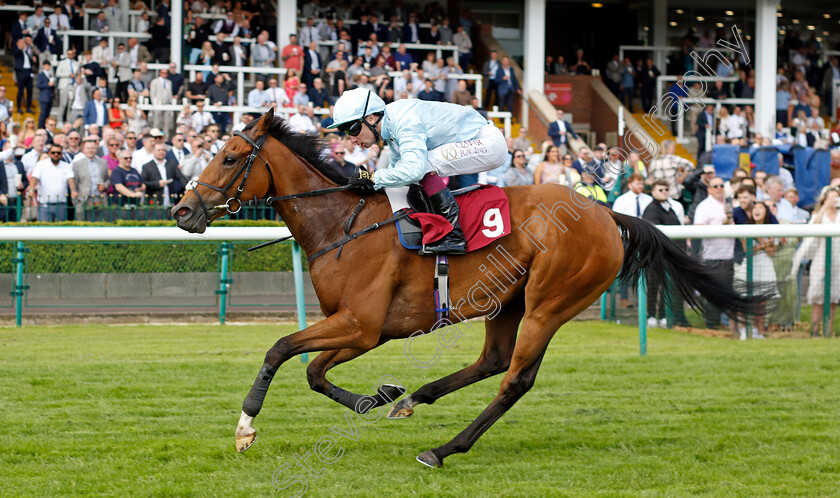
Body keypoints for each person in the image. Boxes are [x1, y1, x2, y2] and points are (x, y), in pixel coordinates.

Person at [328, 88, 507, 255]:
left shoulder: (404, 121)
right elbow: (398, 171)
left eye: (353, 129)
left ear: (372, 118)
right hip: (477, 139)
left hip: (489, 143)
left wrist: (373, 177)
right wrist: (371, 184)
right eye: (345, 131)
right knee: (414, 169)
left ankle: (454, 236)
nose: (351, 139)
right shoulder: (390, 125)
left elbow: (413, 170)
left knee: (422, 165)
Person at [693, 176, 735, 330]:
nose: (719, 188)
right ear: (709, 189)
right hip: (712, 256)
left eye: (721, 185)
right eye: (715, 186)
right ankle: (711, 325)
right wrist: (722, 223)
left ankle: (725, 323)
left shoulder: (730, 203)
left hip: (731, 255)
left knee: (728, 291)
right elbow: (699, 228)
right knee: (713, 292)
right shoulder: (704, 206)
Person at [804, 187, 840, 337]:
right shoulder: (818, 215)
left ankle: (828, 331)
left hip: (837, 261)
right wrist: (824, 207)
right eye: (831, 197)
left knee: (832, 300)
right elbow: (813, 229)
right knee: (818, 300)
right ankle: (814, 333)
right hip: (821, 259)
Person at [30, 143, 76, 221]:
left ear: (61, 154)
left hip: (61, 203)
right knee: (44, 229)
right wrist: (31, 189)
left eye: (58, 153)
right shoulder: (41, 164)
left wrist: (73, 191)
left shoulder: (66, 166)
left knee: (61, 230)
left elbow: (71, 179)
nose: (55, 154)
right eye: (53, 152)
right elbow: (34, 178)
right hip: (44, 203)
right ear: (49, 153)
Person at [71, 137, 109, 221]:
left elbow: (107, 179)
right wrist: (76, 200)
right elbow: (74, 182)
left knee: (101, 222)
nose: (90, 150)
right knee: (82, 224)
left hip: (99, 198)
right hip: (84, 198)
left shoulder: (103, 162)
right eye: (88, 148)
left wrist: (105, 186)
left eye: (93, 148)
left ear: (96, 149)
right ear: (84, 150)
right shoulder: (77, 164)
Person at [35, 61, 55, 129]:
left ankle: (45, 127)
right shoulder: (41, 75)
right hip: (43, 97)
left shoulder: (50, 75)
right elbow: (38, 85)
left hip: (49, 97)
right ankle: (40, 127)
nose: (48, 67)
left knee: (47, 114)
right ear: (43, 66)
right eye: (46, 65)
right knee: (43, 114)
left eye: (49, 65)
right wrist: (48, 84)